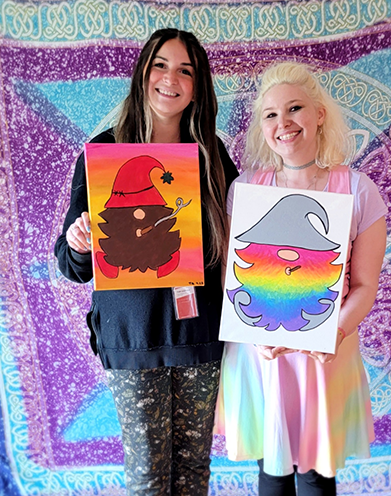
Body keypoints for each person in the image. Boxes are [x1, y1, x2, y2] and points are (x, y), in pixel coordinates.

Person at [54, 28, 238, 496]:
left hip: (199, 338)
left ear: (198, 86)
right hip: (132, 340)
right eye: (160, 64)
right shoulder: (104, 151)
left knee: (194, 472)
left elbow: (243, 242)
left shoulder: (213, 155)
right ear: (142, 73)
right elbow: (73, 265)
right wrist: (78, 242)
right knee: (148, 479)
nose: (169, 78)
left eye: (185, 70)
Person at [216, 62, 387, 495]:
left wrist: (335, 332)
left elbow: (365, 284)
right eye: (271, 114)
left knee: (315, 473)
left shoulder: (358, 189)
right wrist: (254, 331)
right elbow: (231, 275)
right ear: (262, 125)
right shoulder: (245, 189)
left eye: (295, 108)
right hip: (263, 354)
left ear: (319, 114)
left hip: (325, 355)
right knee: (271, 471)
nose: (283, 122)